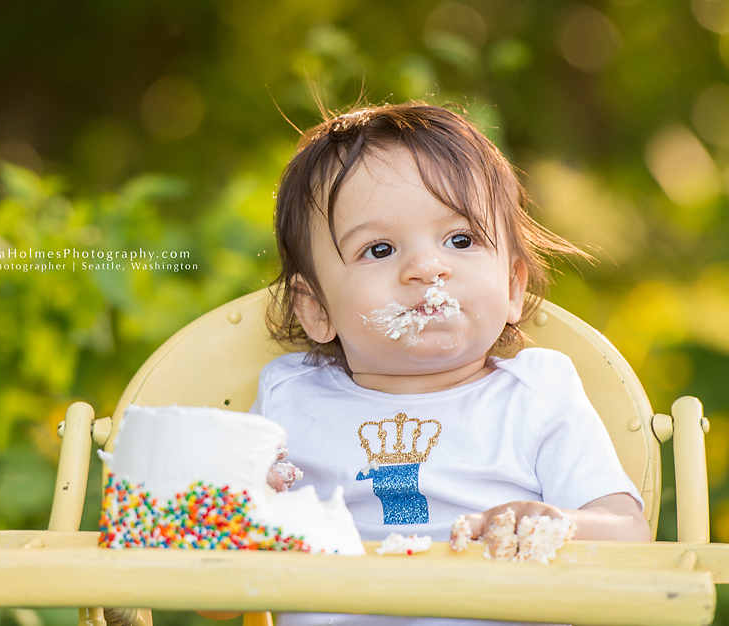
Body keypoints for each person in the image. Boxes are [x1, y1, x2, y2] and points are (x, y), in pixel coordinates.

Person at [251, 102, 649, 625]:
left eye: (460, 240)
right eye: (379, 249)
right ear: (317, 309)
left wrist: (558, 523)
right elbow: (219, 598)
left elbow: (630, 536)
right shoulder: (290, 399)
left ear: (511, 288)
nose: (426, 268)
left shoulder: (535, 395)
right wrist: (248, 511)